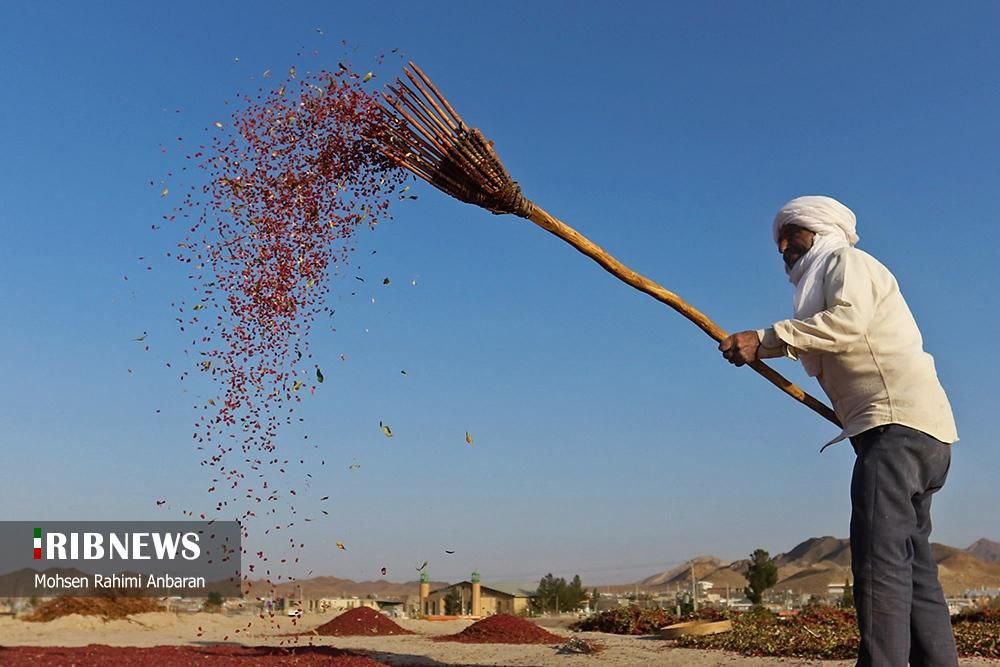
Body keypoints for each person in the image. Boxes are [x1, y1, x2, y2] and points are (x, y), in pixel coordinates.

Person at [719, 195, 959, 667]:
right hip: (922, 433)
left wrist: (765, 340)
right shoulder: (831, 274)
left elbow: (846, 324)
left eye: (795, 234)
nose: (785, 245)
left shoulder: (847, 263)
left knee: (880, 568)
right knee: (914, 572)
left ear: (823, 231)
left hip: (896, 431)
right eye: (780, 239)